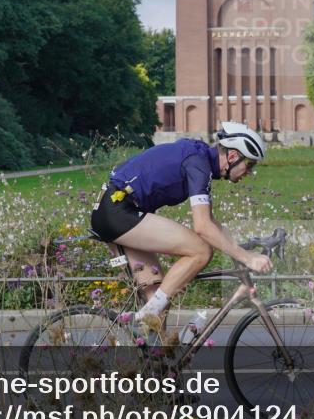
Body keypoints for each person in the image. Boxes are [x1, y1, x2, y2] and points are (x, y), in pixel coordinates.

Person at [89, 121, 273, 344]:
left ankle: (155, 369)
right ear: (233, 156)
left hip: (118, 210)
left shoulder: (200, 160)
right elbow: (203, 228)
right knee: (201, 250)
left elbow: (211, 221)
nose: (249, 173)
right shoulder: (198, 164)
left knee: (159, 303)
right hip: (118, 211)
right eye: (250, 165)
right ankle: (147, 319)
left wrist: (239, 248)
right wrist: (247, 259)